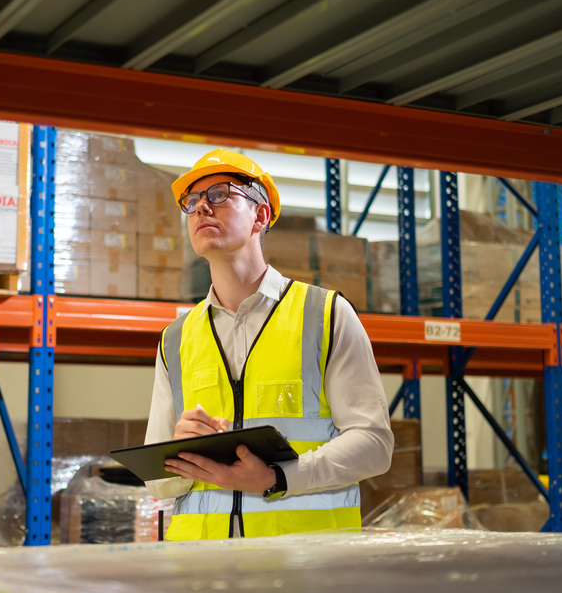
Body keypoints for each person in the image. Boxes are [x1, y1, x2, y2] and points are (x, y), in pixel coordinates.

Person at [146, 149, 394, 539]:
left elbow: (374, 445)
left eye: (219, 194)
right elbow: (158, 484)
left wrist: (277, 476)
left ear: (260, 216)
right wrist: (179, 451)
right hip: (201, 574)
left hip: (303, 570)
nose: (200, 209)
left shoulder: (325, 314)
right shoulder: (176, 337)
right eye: (191, 201)